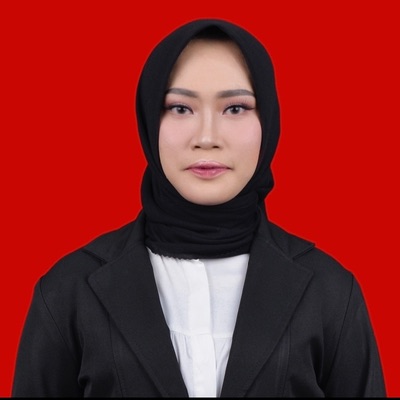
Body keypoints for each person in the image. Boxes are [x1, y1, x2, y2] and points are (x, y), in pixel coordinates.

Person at [12, 19, 386, 397]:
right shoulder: (69, 291)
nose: (207, 138)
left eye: (235, 108)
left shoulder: (330, 293)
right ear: (149, 120)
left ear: (268, 121)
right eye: (180, 108)